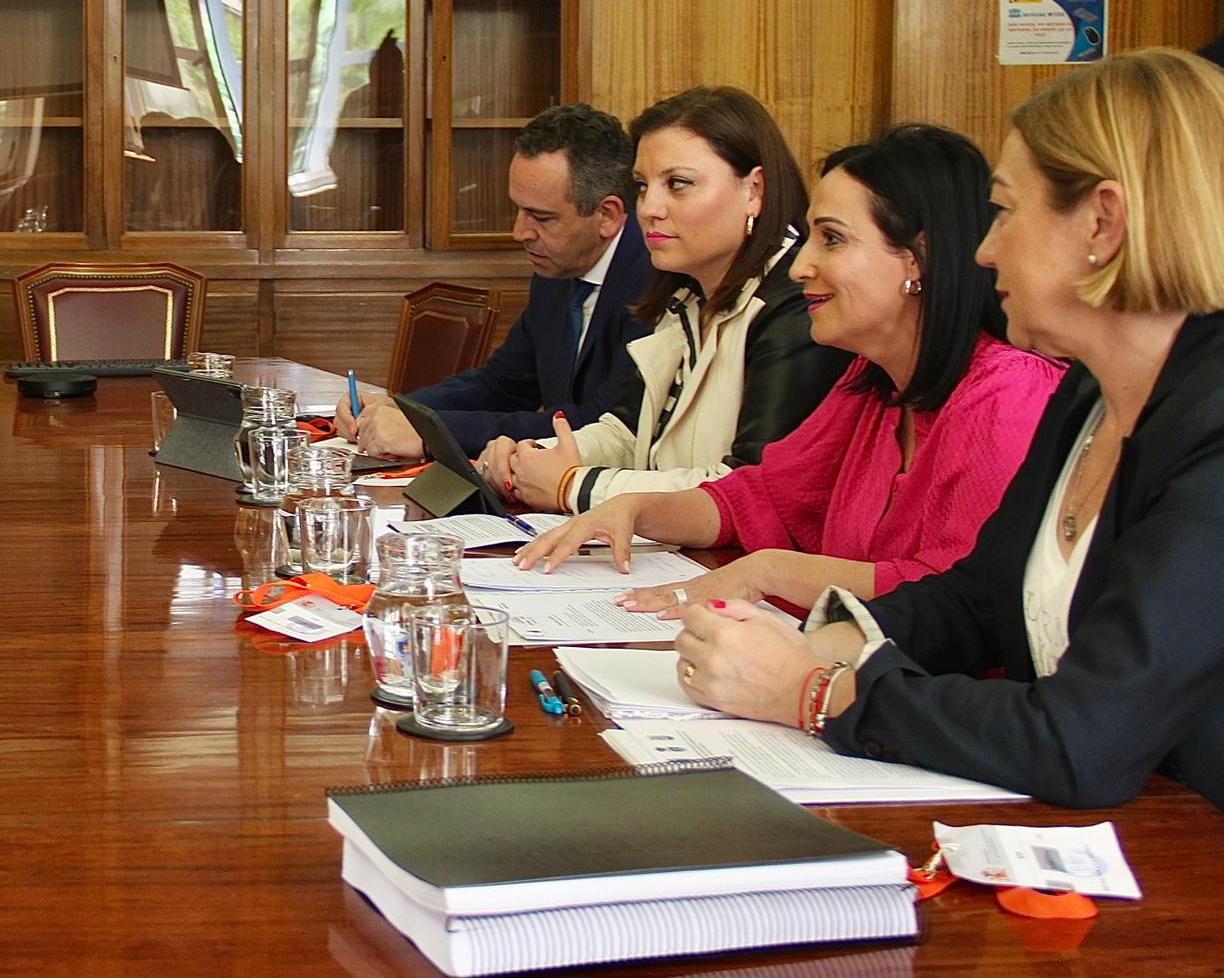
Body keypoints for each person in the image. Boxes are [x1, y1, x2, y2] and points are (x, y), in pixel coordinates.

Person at [676, 49, 1224, 809]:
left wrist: (818, 691)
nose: (984, 247)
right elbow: (973, 603)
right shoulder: (1090, 397)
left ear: (1103, 223)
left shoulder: (1212, 434)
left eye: (1004, 210)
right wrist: (812, 647)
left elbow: (1082, 740)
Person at [517, 125, 1063, 616]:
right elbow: (760, 497)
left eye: (832, 239)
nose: (802, 266)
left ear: (917, 257)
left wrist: (771, 572)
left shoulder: (1006, 395)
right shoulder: (869, 384)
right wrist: (635, 509)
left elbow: (960, 597)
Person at [483, 86, 851, 514]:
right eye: (642, 186)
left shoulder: (796, 307)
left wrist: (575, 486)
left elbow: (747, 484)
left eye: (678, 184)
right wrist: (530, 458)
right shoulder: (687, 293)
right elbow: (626, 433)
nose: (650, 207)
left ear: (754, 190)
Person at [337, 103, 653, 459]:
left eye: (541, 217)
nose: (520, 232)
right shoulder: (556, 270)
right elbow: (503, 384)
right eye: (517, 209)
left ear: (607, 215)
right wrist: (399, 408)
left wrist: (430, 432)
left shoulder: (656, 285)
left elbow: (598, 422)